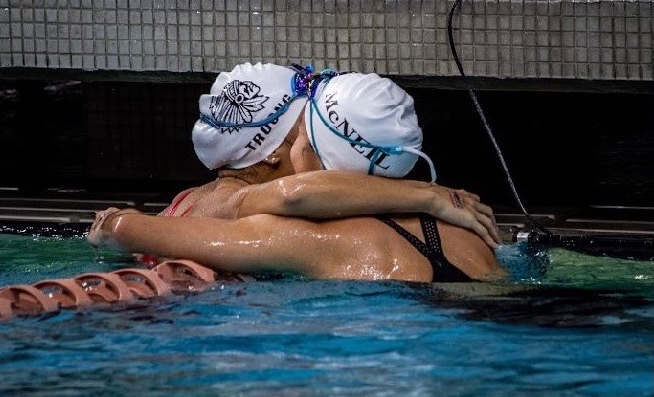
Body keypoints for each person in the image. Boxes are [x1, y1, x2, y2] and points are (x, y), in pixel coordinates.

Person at [89, 71, 506, 282]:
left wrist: (110, 225)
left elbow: (125, 228)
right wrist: (430, 196)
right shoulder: (465, 224)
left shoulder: (299, 237)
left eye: (301, 137)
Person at [158, 62, 499, 248]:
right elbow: (295, 194)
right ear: (273, 153)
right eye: (301, 137)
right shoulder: (229, 206)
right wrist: (430, 195)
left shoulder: (191, 198)